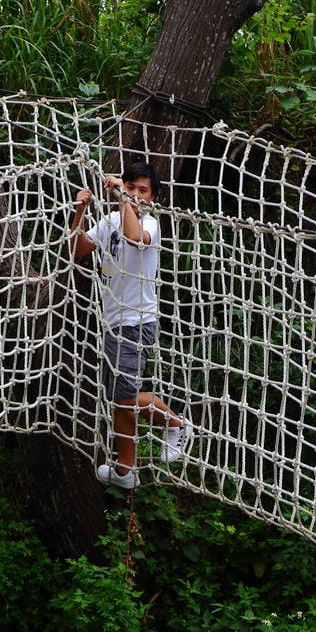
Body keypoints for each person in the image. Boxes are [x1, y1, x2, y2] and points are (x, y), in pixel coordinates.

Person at [69, 160, 193, 490]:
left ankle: (177, 424)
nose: (136, 194)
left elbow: (136, 238)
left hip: (137, 321)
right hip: (113, 320)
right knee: (118, 398)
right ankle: (126, 470)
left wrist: (124, 198)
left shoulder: (151, 223)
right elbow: (76, 249)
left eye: (143, 190)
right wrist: (80, 211)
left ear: (152, 198)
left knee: (124, 397)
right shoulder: (109, 220)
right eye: (131, 187)